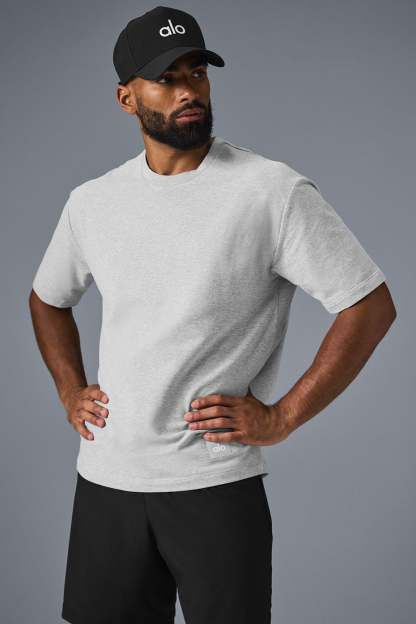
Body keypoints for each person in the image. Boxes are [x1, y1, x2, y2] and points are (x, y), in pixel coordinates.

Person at [29, 6, 396, 624]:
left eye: (196, 73)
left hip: (214, 485)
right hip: (107, 480)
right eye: (166, 79)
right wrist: (70, 390)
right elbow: (48, 299)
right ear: (126, 98)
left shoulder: (271, 192)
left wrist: (282, 417)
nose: (188, 91)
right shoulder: (93, 203)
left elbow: (369, 305)